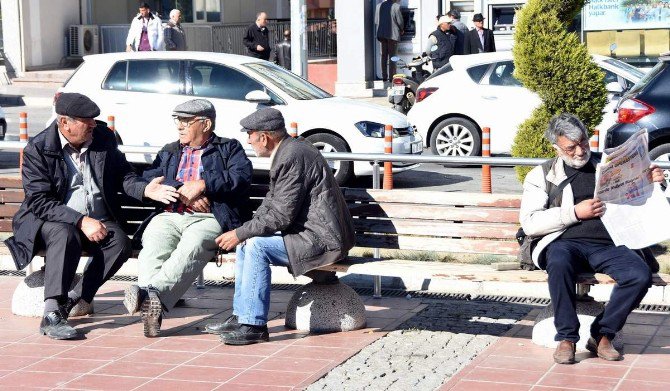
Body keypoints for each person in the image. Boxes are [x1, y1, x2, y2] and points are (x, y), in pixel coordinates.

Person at [5, 93, 179, 340]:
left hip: (96, 218)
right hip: (52, 222)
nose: (93, 125)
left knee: (119, 243)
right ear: (65, 122)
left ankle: (76, 299)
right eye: (86, 120)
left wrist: (144, 189)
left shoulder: (102, 138)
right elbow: (40, 202)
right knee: (64, 234)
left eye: (94, 120)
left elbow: (124, 175)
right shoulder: (39, 148)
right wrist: (80, 221)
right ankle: (52, 311)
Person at [519, 113, 664, 365]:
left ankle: (602, 334)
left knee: (639, 275)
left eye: (583, 143)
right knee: (559, 262)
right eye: (571, 147)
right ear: (557, 148)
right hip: (564, 241)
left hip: (609, 244)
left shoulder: (607, 165)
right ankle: (566, 338)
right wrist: (575, 212)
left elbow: (639, 201)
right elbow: (530, 222)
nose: (579, 151)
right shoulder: (541, 175)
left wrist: (655, 184)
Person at [208, 108, 355, 345]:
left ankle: (254, 325)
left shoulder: (291, 156)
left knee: (256, 246)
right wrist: (243, 232)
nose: (248, 140)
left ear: (264, 137)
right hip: (312, 235)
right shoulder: (289, 150)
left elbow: (281, 215)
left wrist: (241, 232)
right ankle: (242, 315)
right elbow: (272, 202)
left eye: (250, 135)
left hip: (322, 241)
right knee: (248, 242)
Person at [123, 99, 253, 338]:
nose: (179, 126)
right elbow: (151, 178)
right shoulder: (170, 151)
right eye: (178, 120)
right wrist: (184, 189)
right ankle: (153, 303)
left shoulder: (229, 148)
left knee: (192, 247)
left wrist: (204, 184)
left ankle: (149, 296)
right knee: (152, 244)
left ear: (205, 124)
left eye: (185, 121)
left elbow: (241, 178)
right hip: (171, 214)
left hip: (208, 217)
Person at [375, 0, 404, 83]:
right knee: (393, 56)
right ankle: (392, 77)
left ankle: (384, 77)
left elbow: (376, 21)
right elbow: (400, 21)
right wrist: (402, 29)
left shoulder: (378, 6)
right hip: (393, 35)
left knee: (383, 56)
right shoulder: (396, 6)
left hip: (381, 34)